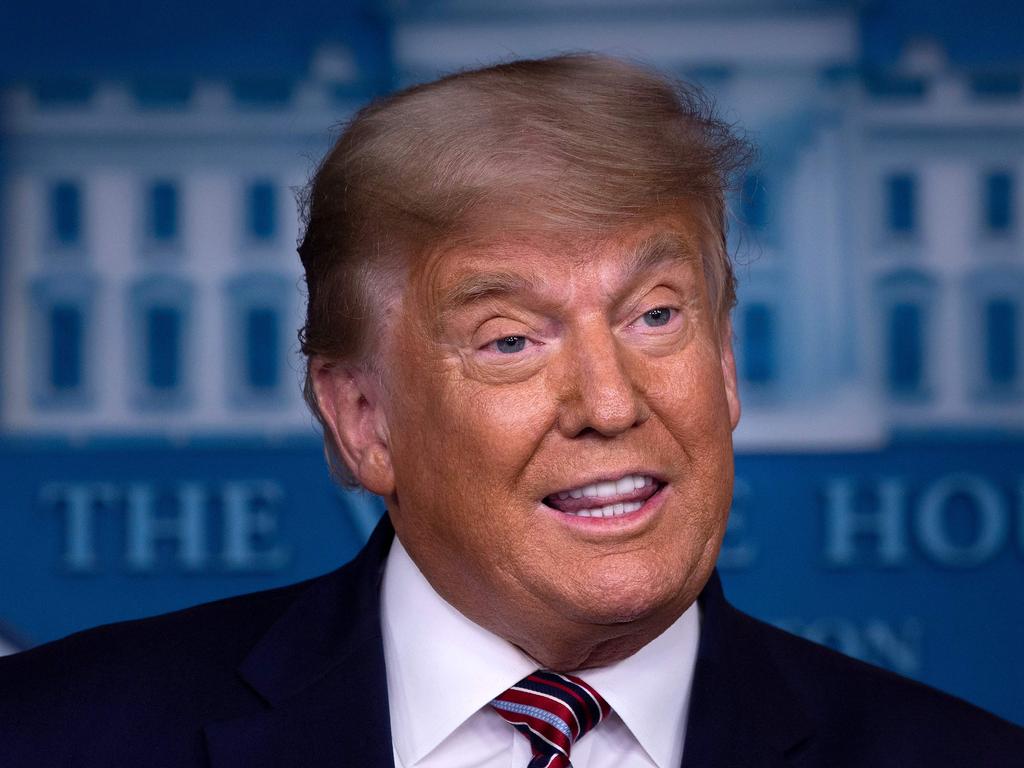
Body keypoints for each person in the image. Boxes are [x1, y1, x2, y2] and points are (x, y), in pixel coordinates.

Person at [1, 54, 1022, 768]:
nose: (611, 403)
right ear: (364, 420)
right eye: (509, 341)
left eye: (655, 316)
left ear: (722, 364)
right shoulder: (50, 739)